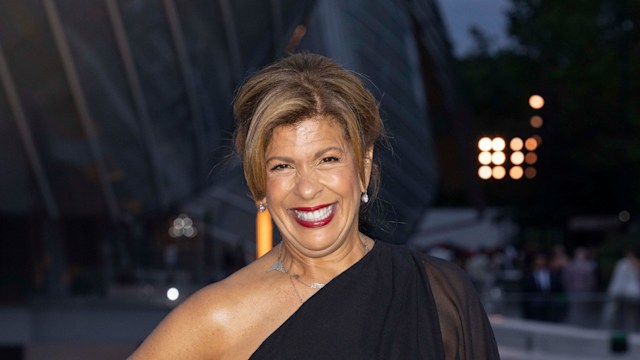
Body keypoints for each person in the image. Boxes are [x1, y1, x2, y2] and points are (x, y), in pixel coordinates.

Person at [128, 53, 499, 359]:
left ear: (364, 166)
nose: (306, 189)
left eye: (327, 160)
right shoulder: (218, 317)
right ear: (260, 185)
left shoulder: (440, 293)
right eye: (282, 166)